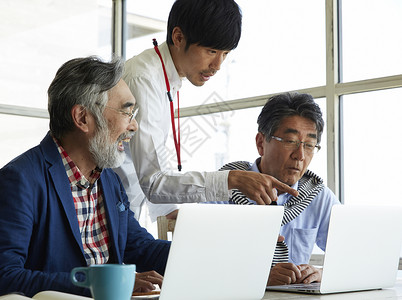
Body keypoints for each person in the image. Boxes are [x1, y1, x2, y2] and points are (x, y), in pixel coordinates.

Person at [0, 56, 170, 300]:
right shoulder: (17, 181)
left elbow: (137, 247)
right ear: (82, 118)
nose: (134, 126)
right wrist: (99, 284)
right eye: (126, 111)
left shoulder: (109, 181)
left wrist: (198, 253)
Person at [113, 0, 298, 222]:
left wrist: (176, 214)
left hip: (124, 213)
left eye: (225, 53)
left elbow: (148, 164)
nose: (218, 65)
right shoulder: (144, 79)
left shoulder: (166, 78)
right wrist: (232, 179)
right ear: (178, 37)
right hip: (107, 215)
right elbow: (153, 181)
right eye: (211, 51)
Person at [219, 92, 341, 286]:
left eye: (309, 145)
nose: (300, 156)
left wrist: (321, 273)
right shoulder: (224, 188)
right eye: (290, 141)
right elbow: (200, 265)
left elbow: (354, 254)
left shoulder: (316, 195)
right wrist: (258, 279)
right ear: (261, 143)